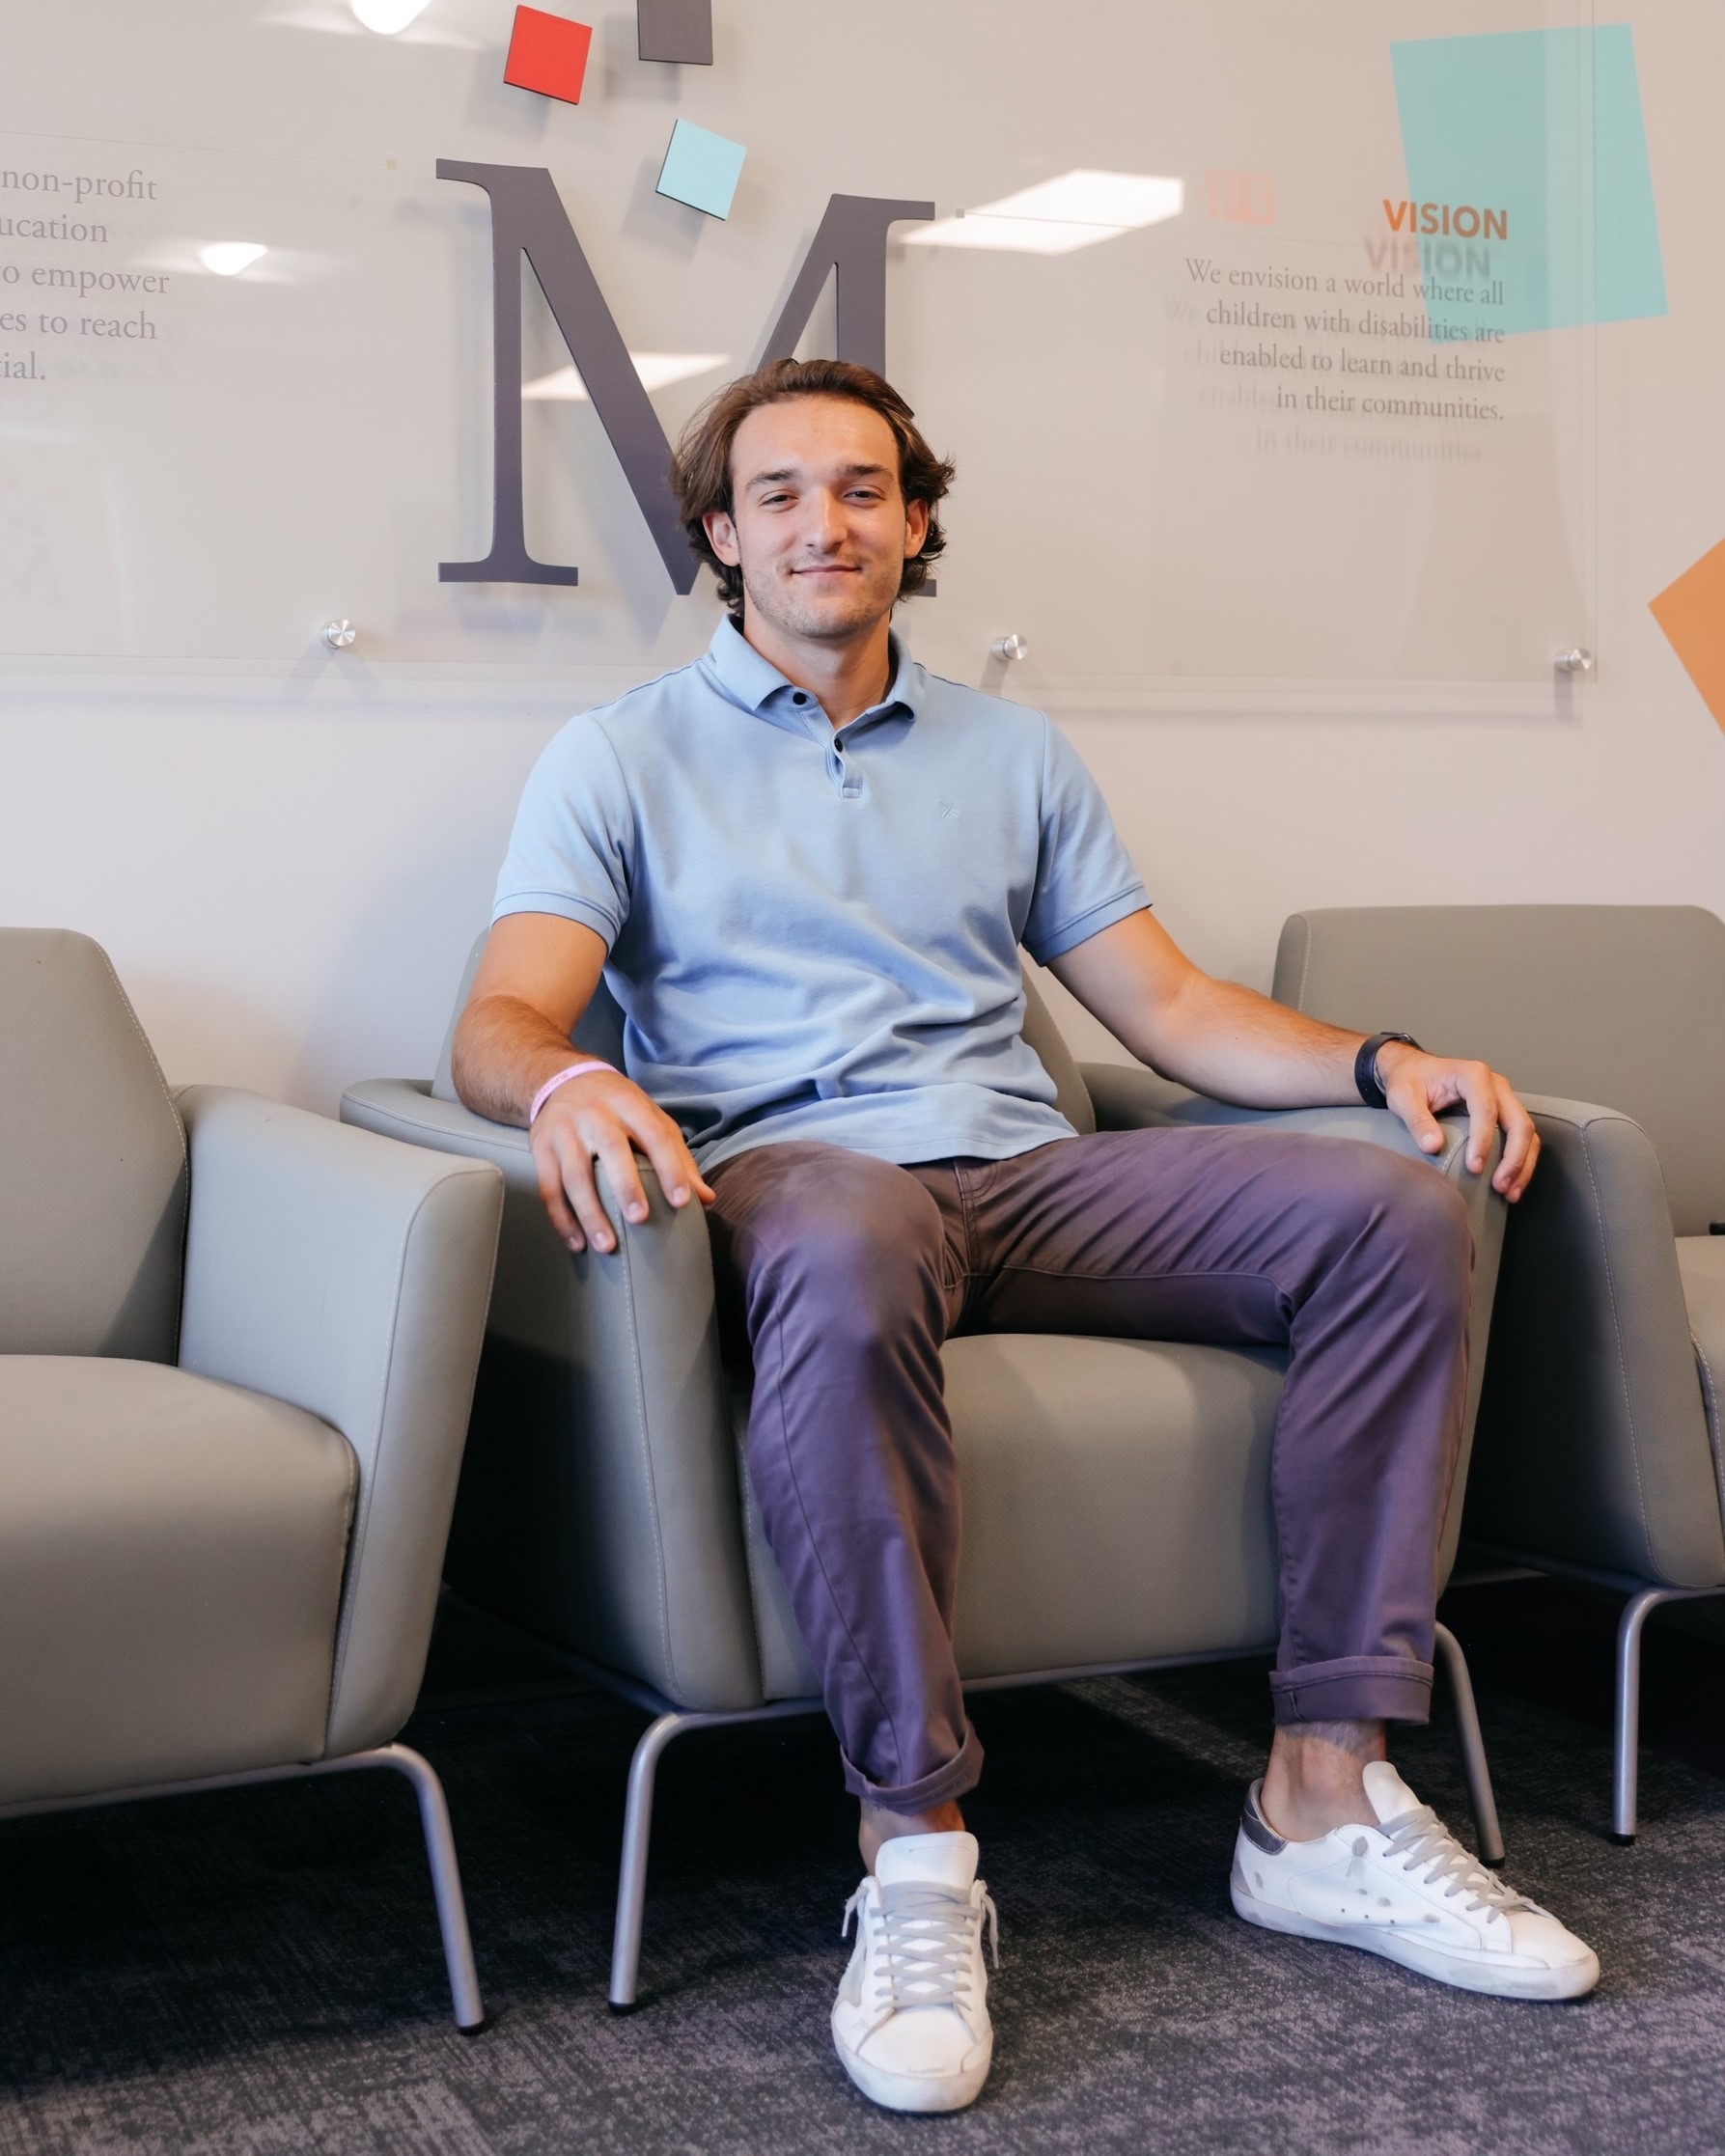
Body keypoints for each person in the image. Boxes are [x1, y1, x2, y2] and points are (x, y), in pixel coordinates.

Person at [453, 357, 1599, 2115]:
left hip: (1022, 1170)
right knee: (845, 1236)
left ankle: (1321, 1794)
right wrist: (564, 1083)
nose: (823, 523)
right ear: (722, 534)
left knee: (1395, 1204)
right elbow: (499, 1018)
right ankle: (914, 1846)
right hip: (799, 1178)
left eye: (862, 488)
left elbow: (1173, 1008)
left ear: (913, 521)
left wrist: (1382, 1064)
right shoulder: (619, 755)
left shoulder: (1012, 750)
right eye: (778, 493)